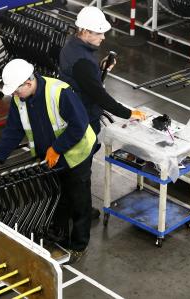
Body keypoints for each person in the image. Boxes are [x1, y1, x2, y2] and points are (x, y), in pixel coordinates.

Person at [0, 58, 96, 264]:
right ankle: (59, 235)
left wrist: (57, 148)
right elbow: (13, 129)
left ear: (28, 83)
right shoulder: (20, 99)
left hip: (76, 156)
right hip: (48, 160)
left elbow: (79, 125)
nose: (14, 94)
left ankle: (79, 245)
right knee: (57, 196)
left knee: (79, 201)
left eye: (16, 90)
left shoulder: (59, 93)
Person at [59, 6, 146, 219]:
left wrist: (100, 68)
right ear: (85, 32)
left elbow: (84, 79)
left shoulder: (72, 46)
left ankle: (69, 208)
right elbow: (99, 96)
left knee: (73, 166)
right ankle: (80, 214)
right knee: (81, 170)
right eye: (99, 32)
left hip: (72, 111)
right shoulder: (82, 61)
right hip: (83, 118)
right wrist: (128, 113)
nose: (103, 37)